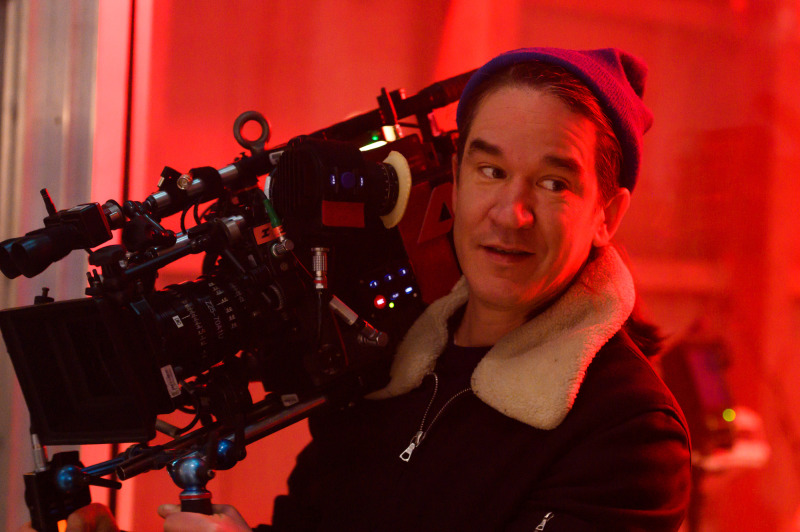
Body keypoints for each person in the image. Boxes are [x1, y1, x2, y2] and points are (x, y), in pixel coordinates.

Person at [22, 47, 692, 531]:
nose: (510, 213)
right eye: (490, 170)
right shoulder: (390, 355)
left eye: (552, 183)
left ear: (607, 214)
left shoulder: (631, 434)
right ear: (455, 180)